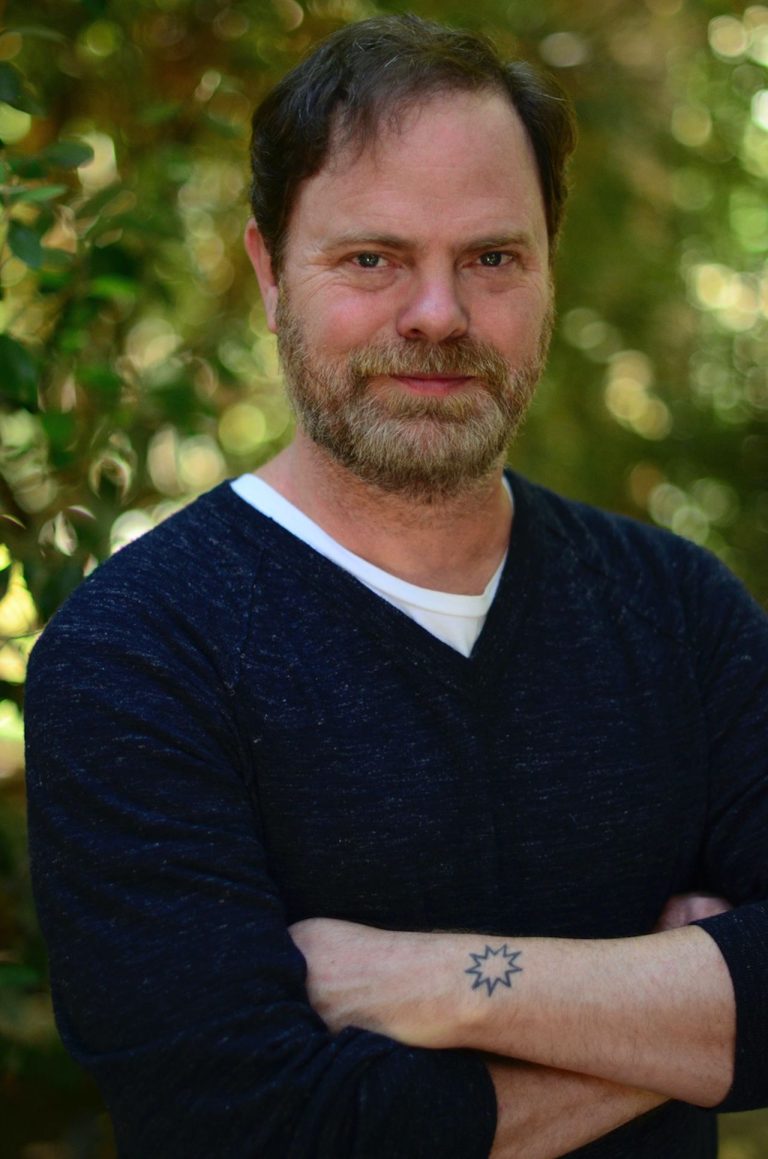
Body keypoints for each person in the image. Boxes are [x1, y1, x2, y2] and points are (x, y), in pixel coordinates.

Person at [24, 14, 768, 1159]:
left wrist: (440, 984)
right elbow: (260, 1128)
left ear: (549, 268)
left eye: (492, 258)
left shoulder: (680, 611)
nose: (438, 315)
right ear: (269, 272)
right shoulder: (136, 655)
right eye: (372, 258)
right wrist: (678, 1023)